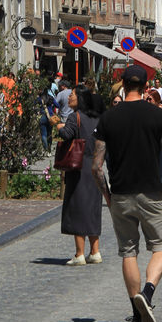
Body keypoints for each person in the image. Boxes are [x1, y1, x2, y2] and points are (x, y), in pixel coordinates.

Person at [93, 65, 162, 322]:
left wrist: (107, 194)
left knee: (129, 252)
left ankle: (137, 315)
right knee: (161, 247)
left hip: (120, 192)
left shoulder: (108, 118)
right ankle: (148, 295)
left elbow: (96, 166)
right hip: (151, 191)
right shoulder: (159, 116)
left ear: (123, 84)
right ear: (145, 85)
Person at [56, 84, 102, 265]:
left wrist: (58, 125)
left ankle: (79, 254)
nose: (69, 97)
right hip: (94, 165)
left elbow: (67, 134)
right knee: (92, 208)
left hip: (78, 166)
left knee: (77, 207)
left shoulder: (74, 117)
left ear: (80, 98)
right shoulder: (96, 117)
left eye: (72, 95)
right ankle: (95, 251)